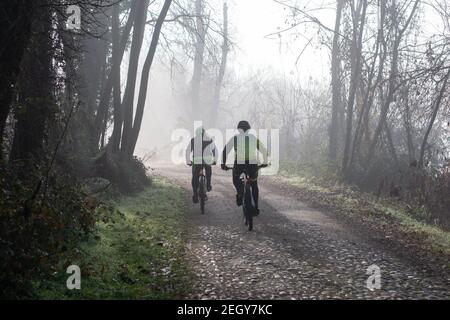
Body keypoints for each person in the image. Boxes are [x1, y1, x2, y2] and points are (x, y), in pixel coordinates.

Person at [221, 121, 268, 215]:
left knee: (236, 179)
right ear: (249, 129)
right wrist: (265, 162)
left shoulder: (235, 139)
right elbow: (263, 150)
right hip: (252, 164)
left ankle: (240, 193)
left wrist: (223, 164)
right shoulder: (253, 138)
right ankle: (256, 206)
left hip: (239, 164)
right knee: (254, 185)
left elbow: (225, 151)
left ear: (238, 130)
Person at [186, 127, 217, 203]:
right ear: (204, 133)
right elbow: (214, 150)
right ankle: (208, 185)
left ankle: (195, 194)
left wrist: (188, 161)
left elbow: (187, 151)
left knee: (195, 178)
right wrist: (215, 160)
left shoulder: (193, 140)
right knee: (208, 172)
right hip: (207, 161)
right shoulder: (209, 140)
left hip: (196, 161)